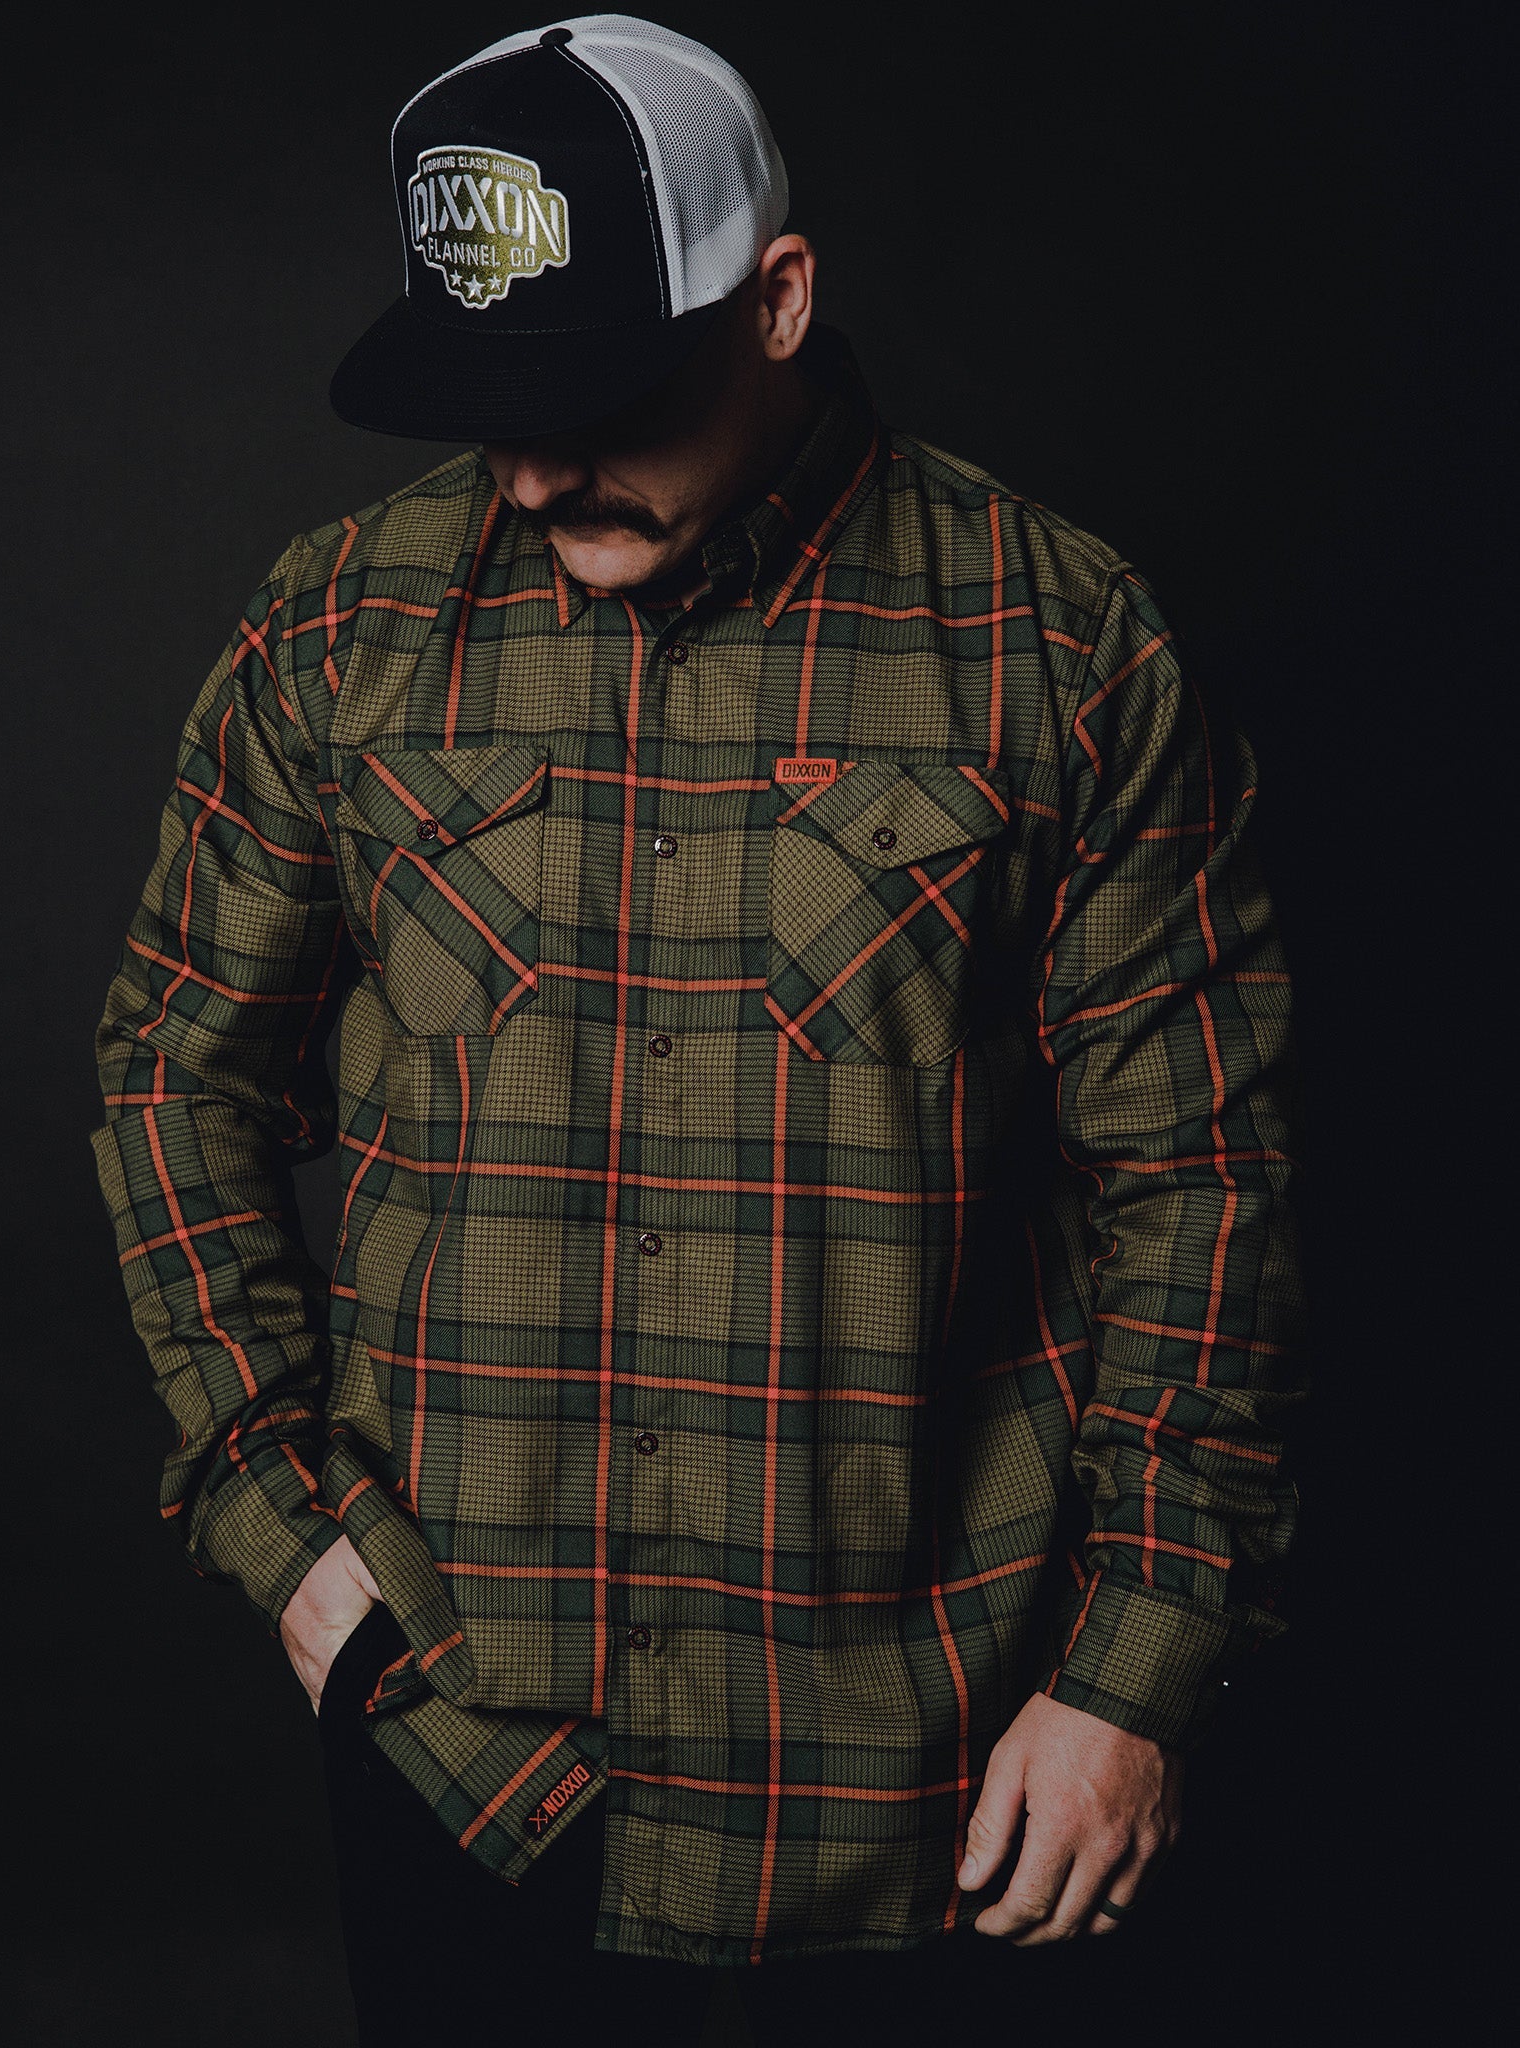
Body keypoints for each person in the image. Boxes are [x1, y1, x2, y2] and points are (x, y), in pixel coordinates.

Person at [91, 15, 1307, 2043]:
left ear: (778, 300)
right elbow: (171, 1078)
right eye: (488, 407)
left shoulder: (1061, 645)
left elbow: (1201, 1179)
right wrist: (279, 1528)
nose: (534, 471)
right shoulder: (337, 630)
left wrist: (1134, 1676)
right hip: (457, 1746)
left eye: (593, 393)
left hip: (936, 1776)